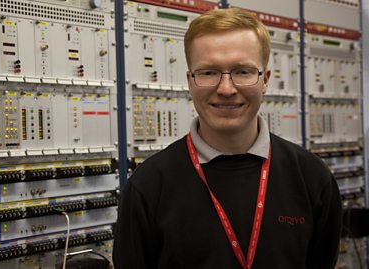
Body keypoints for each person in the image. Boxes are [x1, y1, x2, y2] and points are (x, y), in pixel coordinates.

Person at [113, 7, 341, 269]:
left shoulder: (312, 178)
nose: (226, 89)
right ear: (190, 81)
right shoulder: (148, 186)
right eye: (208, 72)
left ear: (265, 79)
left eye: (243, 71)